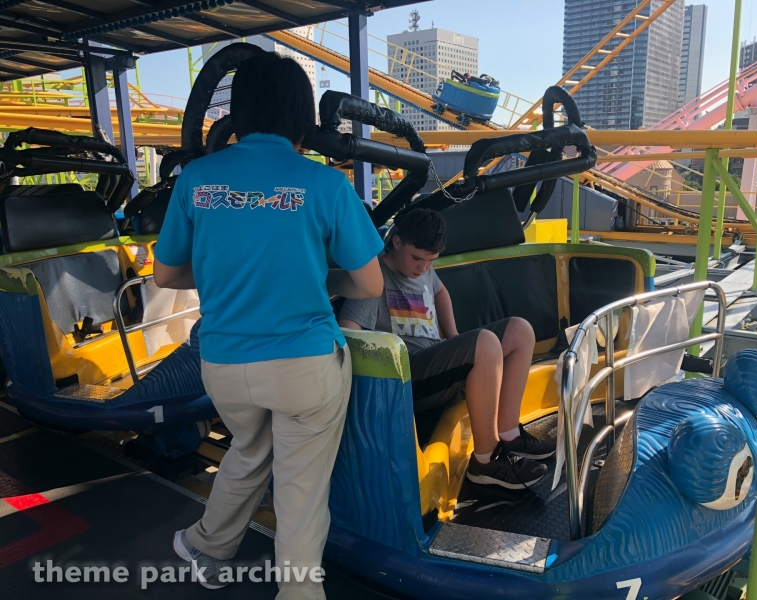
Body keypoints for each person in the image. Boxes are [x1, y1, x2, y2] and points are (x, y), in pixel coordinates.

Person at [153, 51, 384, 597]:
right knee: (301, 491)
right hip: (304, 365)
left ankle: (206, 547)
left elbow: (166, 275)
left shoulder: (197, 179)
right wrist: (319, 277)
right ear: (301, 116)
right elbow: (371, 284)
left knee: (249, 451)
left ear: (239, 111)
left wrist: (226, 271)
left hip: (225, 364)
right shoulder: (325, 185)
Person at [337, 208, 554, 490]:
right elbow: (348, 328)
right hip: (409, 375)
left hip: (436, 360)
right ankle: (485, 462)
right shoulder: (377, 276)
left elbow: (440, 291)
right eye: (417, 258)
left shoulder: (423, 269)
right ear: (397, 241)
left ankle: (510, 435)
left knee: (520, 330)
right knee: (485, 342)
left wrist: (453, 336)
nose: (423, 268)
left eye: (432, 260)